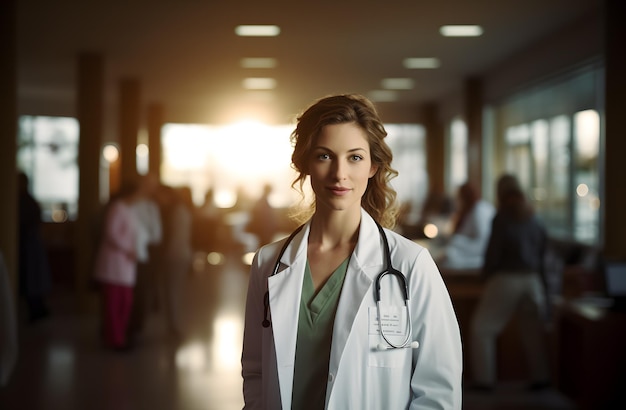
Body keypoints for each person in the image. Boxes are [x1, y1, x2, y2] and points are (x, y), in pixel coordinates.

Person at [241, 94, 462, 409]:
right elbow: (255, 371)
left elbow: (438, 390)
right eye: (324, 156)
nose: (339, 174)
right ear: (304, 163)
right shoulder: (268, 262)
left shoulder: (410, 264)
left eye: (355, 157)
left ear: (373, 165)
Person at [469, 174, 551, 391]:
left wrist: (486, 276)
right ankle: (540, 378)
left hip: (506, 278)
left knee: (482, 329)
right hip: (533, 280)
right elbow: (544, 254)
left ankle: (484, 381)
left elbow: (493, 253)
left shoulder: (502, 217)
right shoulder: (534, 216)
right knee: (532, 331)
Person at [93, 182, 141, 350]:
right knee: (113, 304)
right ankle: (115, 339)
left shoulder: (129, 210)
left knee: (125, 302)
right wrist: (127, 249)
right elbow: (111, 233)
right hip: (114, 263)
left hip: (125, 263)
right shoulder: (116, 208)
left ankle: (121, 335)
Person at [17, 172, 52, 322]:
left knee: (32, 280)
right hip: (29, 246)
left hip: (29, 246)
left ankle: (37, 310)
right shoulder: (26, 201)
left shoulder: (26, 202)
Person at [439, 182, 495, 271]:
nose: (457, 201)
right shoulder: (470, 210)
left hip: (477, 257)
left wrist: (456, 241)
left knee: (448, 257)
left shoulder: (479, 211)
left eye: (458, 198)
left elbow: (483, 243)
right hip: (470, 254)